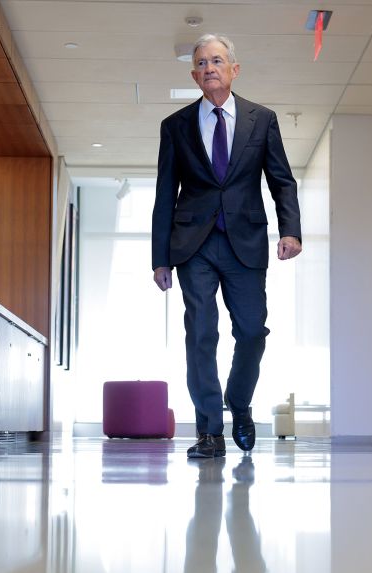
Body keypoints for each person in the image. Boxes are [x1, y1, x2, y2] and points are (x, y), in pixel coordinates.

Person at [151, 33, 302, 458]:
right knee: (201, 334)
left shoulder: (262, 119)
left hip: (246, 242)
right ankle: (209, 431)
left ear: (234, 69)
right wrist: (159, 258)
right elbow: (165, 194)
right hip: (193, 246)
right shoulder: (176, 126)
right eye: (201, 63)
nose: (208, 68)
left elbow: (281, 180)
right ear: (194, 74)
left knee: (252, 332)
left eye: (217, 61)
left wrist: (290, 229)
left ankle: (239, 403)